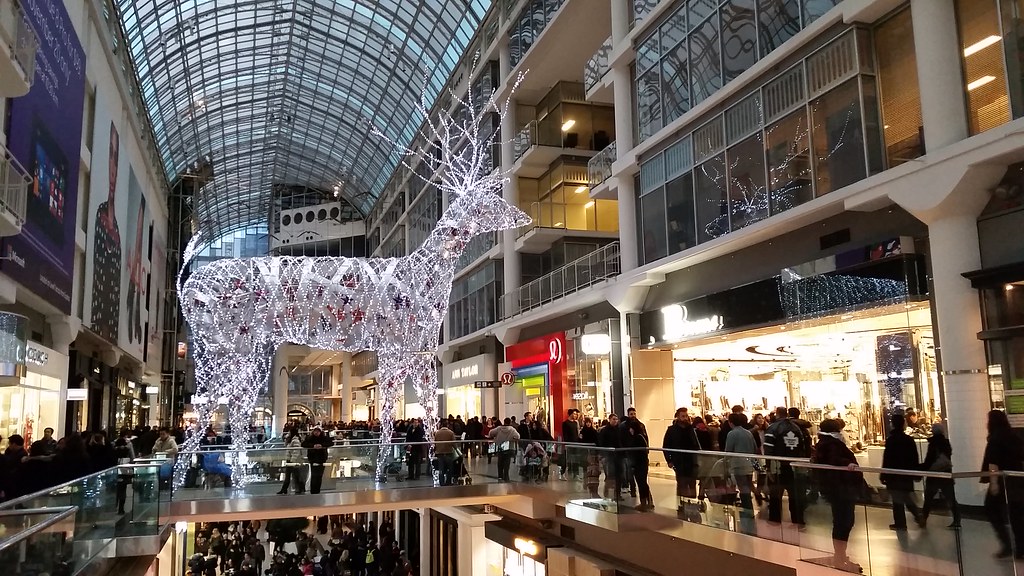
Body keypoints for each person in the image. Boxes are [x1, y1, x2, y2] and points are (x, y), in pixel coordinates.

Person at [812, 418, 863, 573]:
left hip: (835, 487)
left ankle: (840, 555)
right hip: (841, 487)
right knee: (844, 521)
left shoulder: (824, 443)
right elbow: (833, 459)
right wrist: (847, 464)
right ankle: (840, 556)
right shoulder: (832, 444)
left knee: (841, 521)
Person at [982, 409, 1024, 558]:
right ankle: (1020, 548)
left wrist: (993, 483)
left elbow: (993, 463)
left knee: (991, 508)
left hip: (1002, 481)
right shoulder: (1013, 436)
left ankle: (1006, 544)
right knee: (1017, 513)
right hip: (1017, 479)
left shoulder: (994, 439)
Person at [763, 406, 807, 525]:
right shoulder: (796, 428)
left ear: (777, 414)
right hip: (794, 467)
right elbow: (802, 447)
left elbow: (768, 449)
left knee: (775, 495)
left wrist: (768, 467)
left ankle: (775, 520)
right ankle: (798, 520)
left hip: (778, 467)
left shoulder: (772, 428)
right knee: (794, 496)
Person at [881, 413, 924, 531]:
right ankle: (917, 515)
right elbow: (914, 457)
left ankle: (901, 522)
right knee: (906, 496)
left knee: (897, 499)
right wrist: (915, 471)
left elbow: (887, 458)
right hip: (906, 473)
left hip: (894, 474)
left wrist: (883, 474)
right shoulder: (909, 440)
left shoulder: (891, 440)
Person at [920, 422, 960, 529]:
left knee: (928, 497)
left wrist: (921, 468)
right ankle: (957, 520)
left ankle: (924, 518)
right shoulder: (946, 443)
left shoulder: (933, 444)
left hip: (934, 474)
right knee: (950, 497)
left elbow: (929, 459)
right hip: (946, 473)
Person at [724, 412, 758, 530]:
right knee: (747, 487)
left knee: (743, 488)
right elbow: (754, 447)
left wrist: (725, 461)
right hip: (749, 463)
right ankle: (749, 509)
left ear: (731, 422)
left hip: (738, 465)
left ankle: (747, 510)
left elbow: (728, 450)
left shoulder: (732, 433)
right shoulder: (748, 433)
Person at [663, 408, 702, 502]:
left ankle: (692, 503)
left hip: (691, 461)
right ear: (678, 417)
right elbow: (666, 446)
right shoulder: (672, 430)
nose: (685, 418)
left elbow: (696, 444)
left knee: (692, 483)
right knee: (682, 483)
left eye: (686, 416)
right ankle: (681, 504)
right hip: (679, 461)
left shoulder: (690, 429)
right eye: (682, 416)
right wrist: (669, 460)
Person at [623, 413, 653, 511]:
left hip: (639, 464)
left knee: (641, 483)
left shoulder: (637, 438)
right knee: (643, 482)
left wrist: (633, 464)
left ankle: (644, 502)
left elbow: (637, 452)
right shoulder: (640, 436)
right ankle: (648, 501)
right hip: (641, 463)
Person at [597, 413, 622, 499]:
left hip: (618, 455)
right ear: (610, 420)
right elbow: (601, 442)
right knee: (610, 475)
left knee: (619, 475)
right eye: (613, 419)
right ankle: (608, 491)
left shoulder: (619, 429)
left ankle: (617, 493)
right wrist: (603, 454)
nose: (615, 421)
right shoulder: (605, 430)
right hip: (609, 456)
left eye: (616, 419)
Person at [303, 426, 329, 494]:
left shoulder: (323, 438)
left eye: (318, 431)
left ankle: (317, 491)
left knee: (319, 476)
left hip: (322, 459)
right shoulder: (310, 438)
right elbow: (304, 444)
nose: (316, 433)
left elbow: (330, 443)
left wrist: (321, 445)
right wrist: (313, 446)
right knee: (314, 476)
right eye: (315, 431)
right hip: (313, 459)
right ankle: (313, 491)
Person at [580, 417, 601, 498]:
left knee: (594, 472)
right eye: (587, 422)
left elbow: (597, 441)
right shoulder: (583, 432)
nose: (588, 424)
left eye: (589, 422)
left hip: (593, 454)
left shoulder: (594, 431)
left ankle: (594, 490)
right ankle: (587, 486)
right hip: (585, 453)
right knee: (586, 471)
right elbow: (580, 441)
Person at [560, 409, 581, 480]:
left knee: (576, 459)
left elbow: (577, 433)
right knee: (566, 459)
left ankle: (576, 474)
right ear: (570, 414)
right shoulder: (565, 423)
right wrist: (566, 443)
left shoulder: (575, 423)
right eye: (574, 414)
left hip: (576, 443)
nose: (575, 415)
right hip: (569, 444)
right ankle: (562, 473)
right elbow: (565, 434)